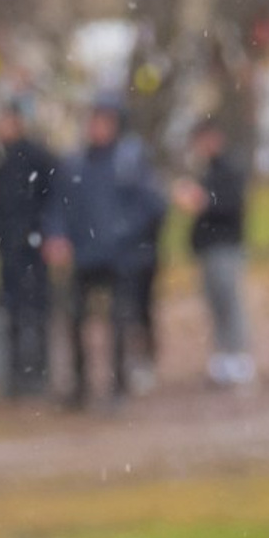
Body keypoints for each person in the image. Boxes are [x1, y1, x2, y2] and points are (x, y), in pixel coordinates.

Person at [45, 96, 165, 408]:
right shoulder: (75, 163)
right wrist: (56, 236)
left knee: (120, 322)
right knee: (73, 319)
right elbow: (59, 205)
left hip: (121, 257)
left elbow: (151, 205)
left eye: (104, 121)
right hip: (84, 255)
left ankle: (118, 386)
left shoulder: (130, 161)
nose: (97, 127)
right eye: (95, 120)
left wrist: (121, 232)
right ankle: (79, 386)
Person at [0, 96, 59, 397]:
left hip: (33, 246)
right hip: (10, 248)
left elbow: (51, 198)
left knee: (37, 309)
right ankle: (17, 372)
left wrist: (43, 232)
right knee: (13, 310)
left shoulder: (38, 157)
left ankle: (39, 370)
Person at [173, 116, 255, 387]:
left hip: (225, 247)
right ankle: (222, 359)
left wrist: (201, 200)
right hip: (209, 248)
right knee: (215, 304)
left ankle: (238, 358)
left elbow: (228, 205)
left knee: (229, 302)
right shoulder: (209, 170)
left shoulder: (229, 168)